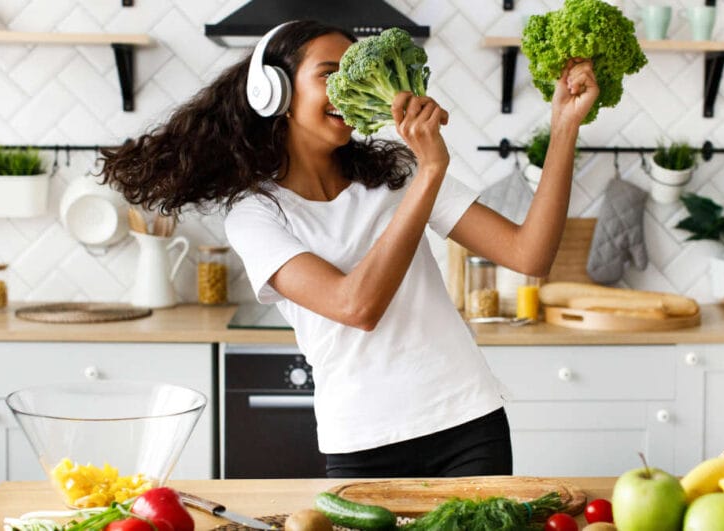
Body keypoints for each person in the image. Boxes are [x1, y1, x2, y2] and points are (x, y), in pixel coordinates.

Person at [100, 20, 598, 478]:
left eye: (355, 75)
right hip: (364, 441)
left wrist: (564, 127)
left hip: (468, 420)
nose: (348, 89)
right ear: (276, 92)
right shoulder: (257, 214)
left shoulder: (396, 174)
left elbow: (529, 255)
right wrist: (429, 174)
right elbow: (355, 306)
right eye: (329, 74)